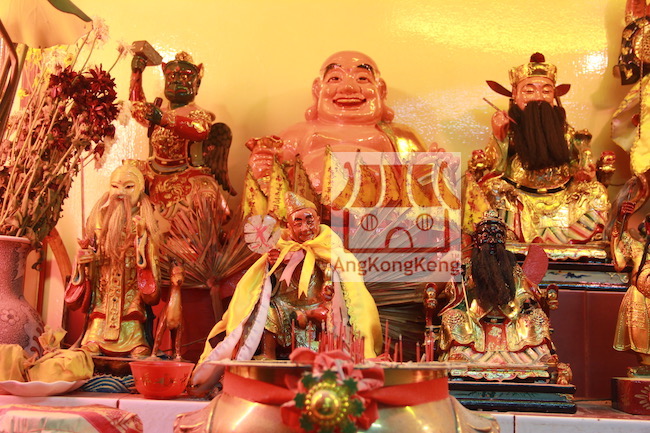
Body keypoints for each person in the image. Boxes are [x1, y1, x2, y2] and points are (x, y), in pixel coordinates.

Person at [191, 192, 382, 391]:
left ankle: (327, 361)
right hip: (284, 307)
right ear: (289, 227)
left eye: (309, 221)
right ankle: (267, 355)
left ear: (318, 220)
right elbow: (263, 286)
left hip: (316, 306)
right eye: (298, 223)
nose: (305, 228)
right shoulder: (280, 249)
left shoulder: (332, 251)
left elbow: (336, 282)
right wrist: (273, 265)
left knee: (327, 316)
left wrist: (328, 292)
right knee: (267, 312)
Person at [246, 50, 433, 209]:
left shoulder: (402, 136)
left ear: (381, 90)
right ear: (318, 89)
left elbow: (424, 190)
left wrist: (433, 170)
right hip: (310, 226)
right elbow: (271, 188)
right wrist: (263, 169)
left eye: (362, 79)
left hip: (380, 226)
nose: (348, 87)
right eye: (335, 78)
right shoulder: (297, 134)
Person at [464, 53, 610, 245]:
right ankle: (512, 237)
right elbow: (496, 169)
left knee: (597, 192)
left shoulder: (565, 131)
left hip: (562, 196)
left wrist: (584, 170)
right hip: (519, 198)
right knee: (491, 190)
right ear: (515, 94)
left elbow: (576, 162)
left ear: (554, 96)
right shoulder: (509, 129)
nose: (538, 97)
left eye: (546, 91)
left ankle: (572, 239)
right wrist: (500, 137)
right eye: (529, 91)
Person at [437, 210, 563, 380]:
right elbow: (455, 292)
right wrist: (459, 282)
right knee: (452, 318)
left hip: (509, 317)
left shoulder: (512, 268)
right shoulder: (467, 266)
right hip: (476, 318)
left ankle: (539, 356)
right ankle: (462, 354)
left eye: (497, 236)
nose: (492, 241)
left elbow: (522, 291)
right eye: (486, 236)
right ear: (478, 240)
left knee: (537, 317)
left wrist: (527, 303)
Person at [65, 163, 161, 357]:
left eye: (128, 187)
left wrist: (141, 240)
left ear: (140, 189)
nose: (120, 192)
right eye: (115, 186)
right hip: (105, 286)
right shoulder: (98, 218)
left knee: (132, 312)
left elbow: (151, 255)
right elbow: (88, 247)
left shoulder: (144, 220)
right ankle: (94, 339)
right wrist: (84, 259)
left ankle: (135, 341)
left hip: (130, 286)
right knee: (100, 315)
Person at [129, 50, 233, 220]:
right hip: (153, 170)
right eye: (171, 76)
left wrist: (163, 119)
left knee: (205, 195)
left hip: (186, 173)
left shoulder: (198, 114)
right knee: (125, 177)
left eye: (184, 77)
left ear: (197, 84)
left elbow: (200, 130)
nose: (176, 80)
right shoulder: (160, 110)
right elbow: (136, 108)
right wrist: (136, 73)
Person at [608, 173, 650, 375]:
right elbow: (619, 259)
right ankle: (646, 364)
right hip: (641, 296)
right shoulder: (638, 247)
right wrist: (620, 219)